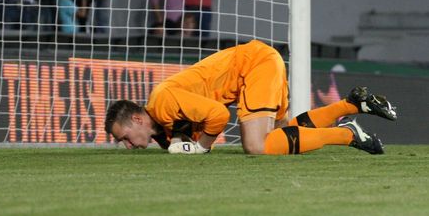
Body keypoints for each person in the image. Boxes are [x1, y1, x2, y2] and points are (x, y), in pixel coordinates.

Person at [104, 40, 398, 155]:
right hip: (258, 62)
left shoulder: (161, 102)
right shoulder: (163, 125)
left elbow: (218, 116)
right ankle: (353, 104)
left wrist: (202, 148)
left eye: (125, 136)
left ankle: (346, 134)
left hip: (252, 67)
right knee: (284, 135)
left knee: (256, 146)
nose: (126, 144)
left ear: (137, 118)